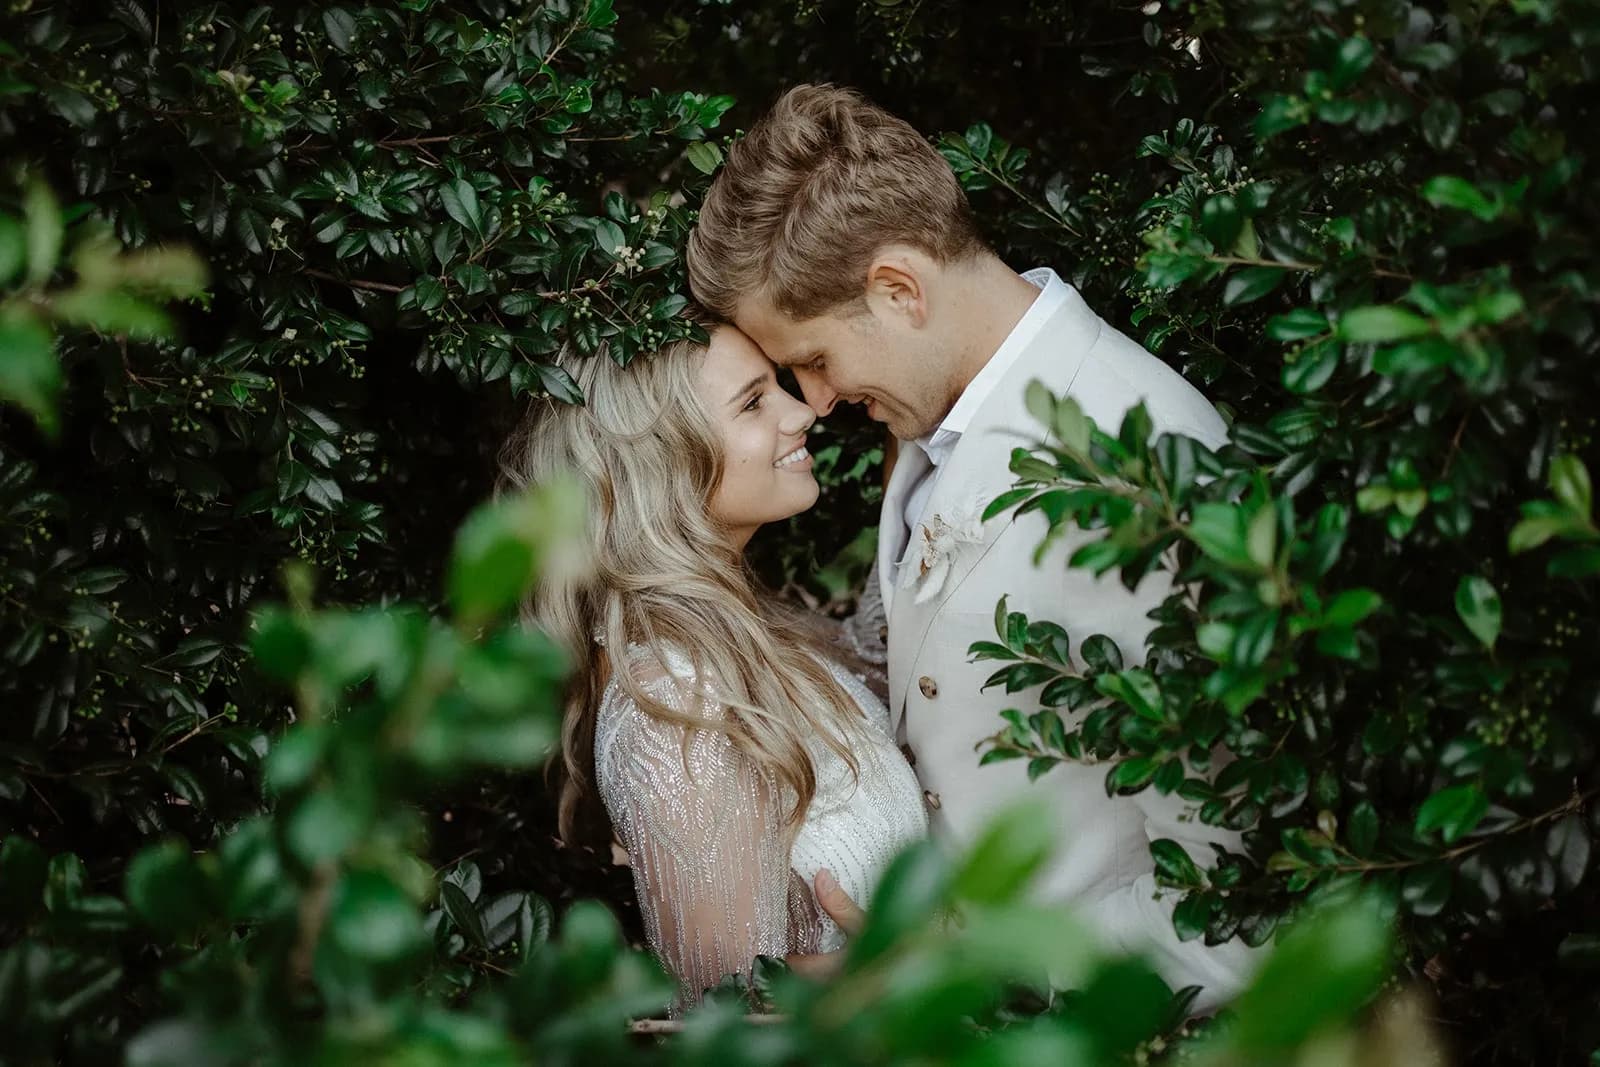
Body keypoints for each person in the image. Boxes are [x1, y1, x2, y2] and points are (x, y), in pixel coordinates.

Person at [686, 83, 1260, 1010]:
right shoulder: (932, 424)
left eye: (818, 360)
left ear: (900, 289)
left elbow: (1244, 909)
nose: (819, 402)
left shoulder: (1141, 475)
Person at [499, 321, 926, 1009]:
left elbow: (878, 657)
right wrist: (912, 975)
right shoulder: (672, 706)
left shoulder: (751, 629)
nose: (802, 412)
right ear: (664, 467)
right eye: (754, 402)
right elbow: (722, 1012)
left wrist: (915, 431)